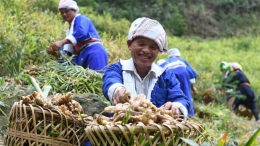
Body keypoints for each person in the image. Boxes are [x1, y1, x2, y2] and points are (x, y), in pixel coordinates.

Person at [102, 17, 191, 118]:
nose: (146, 50)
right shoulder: (116, 69)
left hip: (156, 132)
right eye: (141, 44)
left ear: (158, 51)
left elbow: (180, 99)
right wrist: (117, 90)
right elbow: (111, 81)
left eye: (153, 47)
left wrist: (177, 107)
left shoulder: (166, 77)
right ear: (130, 44)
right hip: (119, 130)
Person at [46, 0, 108, 71]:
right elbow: (67, 55)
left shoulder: (82, 19)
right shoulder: (69, 31)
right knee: (71, 69)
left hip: (93, 51)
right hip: (82, 54)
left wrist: (62, 42)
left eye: (66, 11)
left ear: (74, 10)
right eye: (62, 13)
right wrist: (56, 53)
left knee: (97, 76)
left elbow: (81, 33)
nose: (64, 14)